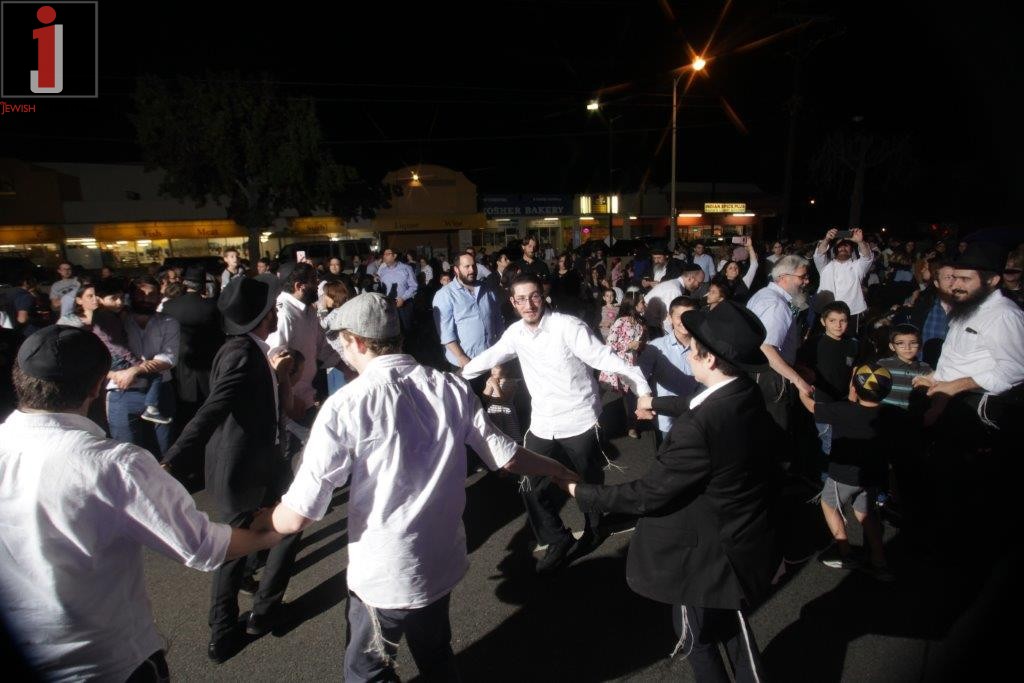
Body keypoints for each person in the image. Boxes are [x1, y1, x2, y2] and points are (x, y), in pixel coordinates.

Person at [258, 293, 578, 681]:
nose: (341, 350)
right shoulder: (450, 386)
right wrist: (558, 468)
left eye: (342, 341)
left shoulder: (346, 405)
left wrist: (253, 528)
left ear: (358, 342)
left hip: (384, 573)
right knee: (435, 652)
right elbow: (507, 457)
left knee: (367, 670)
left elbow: (298, 515)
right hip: (439, 560)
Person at [0, 326, 282, 681]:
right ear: (96, 386)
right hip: (107, 661)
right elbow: (204, 547)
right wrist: (279, 525)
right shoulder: (115, 464)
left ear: (19, 377)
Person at [565, 301, 780, 683]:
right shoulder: (743, 391)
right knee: (733, 624)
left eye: (693, 349)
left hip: (701, 553)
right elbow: (697, 400)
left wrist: (581, 492)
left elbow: (648, 493)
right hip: (739, 534)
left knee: (695, 637)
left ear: (709, 359)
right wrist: (654, 402)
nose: (689, 353)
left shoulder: (698, 428)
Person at [462, 275, 653, 572]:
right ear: (513, 303)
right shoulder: (516, 333)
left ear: (543, 296)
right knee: (530, 485)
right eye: (521, 299)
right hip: (543, 421)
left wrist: (642, 390)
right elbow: (489, 357)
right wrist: (453, 379)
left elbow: (605, 358)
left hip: (579, 417)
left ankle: (595, 528)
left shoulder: (568, 326)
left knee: (586, 482)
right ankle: (556, 538)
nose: (529, 304)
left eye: (534, 296)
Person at [160, 275, 301, 662]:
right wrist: (173, 458)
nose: (277, 313)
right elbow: (213, 408)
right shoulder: (241, 352)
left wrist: (277, 375)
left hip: (258, 464)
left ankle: (252, 615)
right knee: (242, 547)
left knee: (276, 532)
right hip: (241, 469)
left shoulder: (247, 348)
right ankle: (229, 628)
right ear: (263, 316)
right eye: (272, 309)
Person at [798, 364, 898, 581]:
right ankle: (879, 561)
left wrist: (801, 390)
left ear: (854, 387)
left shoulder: (842, 410)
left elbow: (812, 407)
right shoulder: (891, 414)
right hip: (872, 476)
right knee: (866, 513)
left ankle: (846, 553)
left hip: (842, 476)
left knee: (829, 505)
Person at [746, 255, 814, 446]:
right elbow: (767, 348)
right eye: (802, 277)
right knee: (776, 434)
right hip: (771, 377)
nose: (806, 282)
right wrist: (798, 381)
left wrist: (795, 367)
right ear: (784, 277)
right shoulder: (776, 304)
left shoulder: (763, 294)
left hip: (761, 373)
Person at [105, 283, 180, 455]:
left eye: (151, 295)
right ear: (131, 296)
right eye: (140, 294)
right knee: (126, 453)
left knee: (165, 452)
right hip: (122, 391)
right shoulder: (117, 321)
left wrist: (135, 370)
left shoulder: (168, 322)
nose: (146, 299)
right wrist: (113, 374)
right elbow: (101, 357)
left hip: (160, 392)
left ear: (159, 297)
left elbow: (169, 358)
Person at [266, 262, 341, 416]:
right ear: (299, 286)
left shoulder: (309, 310)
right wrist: (290, 400)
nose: (318, 284)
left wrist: (346, 365)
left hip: (308, 396)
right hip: (291, 403)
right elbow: (274, 362)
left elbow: (322, 347)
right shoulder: (283, 314)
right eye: (313, 280)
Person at [162, 266, 225, 444]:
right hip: (208, 365)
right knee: (208, 410)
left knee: (184, 413)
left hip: (180, 366)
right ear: (203, 286)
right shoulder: (213, 307)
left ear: (184, 283)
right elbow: (220, 336)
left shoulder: (169, 306)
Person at [638, 296, 700, 443]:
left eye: (689, 316)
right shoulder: (656, 347)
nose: (684, 321)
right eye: (679, 316)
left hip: (698, 414)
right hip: (668, 417)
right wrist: (643, 401)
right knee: (668, 451)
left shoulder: (704, 346)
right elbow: (640, 376)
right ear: (670, 318)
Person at [432, 253, 503, 371]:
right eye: (467, 266)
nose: (472, 270)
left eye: (474, 266)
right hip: (465, 362)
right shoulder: (445, 295)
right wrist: (461, 356)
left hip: (490, 359)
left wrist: (500, 351)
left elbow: (497, 319)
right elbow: (445, 333)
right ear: (456, 269)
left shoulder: (487, 289)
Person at [600, 293, 648, 439]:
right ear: (633, 304)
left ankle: (631, 426)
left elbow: (640, 345)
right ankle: (599, 422)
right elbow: (610, 344)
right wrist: (628, 345)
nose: (644, 304)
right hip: (618, 364)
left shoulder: (640, 323)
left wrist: (641, 346)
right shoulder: (620, 321)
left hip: (633, 364)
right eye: (642, 302)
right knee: (608, 393)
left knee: (631, 396)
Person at [814, 228, 874, 334]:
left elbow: (867, 257)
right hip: (826, 311)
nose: (842, 248)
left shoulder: (858, 266)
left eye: (846, 245)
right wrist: (827, 239)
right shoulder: (825, 265)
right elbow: (819, 254)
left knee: (849, 341)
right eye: (839, 246)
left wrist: (860, 241)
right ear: (834, 249)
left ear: (852, 249)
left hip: (851, 312)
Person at [878, 324, 931, 412]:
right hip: (886, 415)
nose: (907, 347)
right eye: (900, 343)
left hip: (913, 416)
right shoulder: (882, 365)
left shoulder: (926, 368)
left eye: (913, 343)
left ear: (920, 346)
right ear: (892, 346)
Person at [644, 263, 705, 334]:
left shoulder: (675, 285)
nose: (699, 286)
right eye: (699, 283)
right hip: (650, 327)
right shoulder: (675, 290)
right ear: (690, 279)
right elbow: (668, 320)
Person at [376, 247, 418, 334]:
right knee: (392, 331)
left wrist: (403, 298)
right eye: (384, 254)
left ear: (394, 256)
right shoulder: (382, 271)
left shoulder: (406, 268)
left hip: (404, 305)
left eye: (387, 254)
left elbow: (414, 286)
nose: (384, 256)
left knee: (407, 330)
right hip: (388, 305)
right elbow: (381, 287)